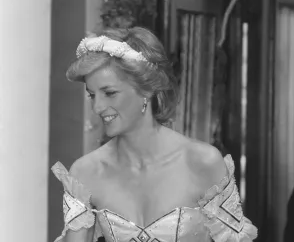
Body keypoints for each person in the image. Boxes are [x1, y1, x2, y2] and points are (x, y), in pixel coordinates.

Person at [51, 27, 258, 242]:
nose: (98, 107)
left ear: (147, 90)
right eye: (92, 95)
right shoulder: (86, 173)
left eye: (110, 93)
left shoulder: (202, 162)